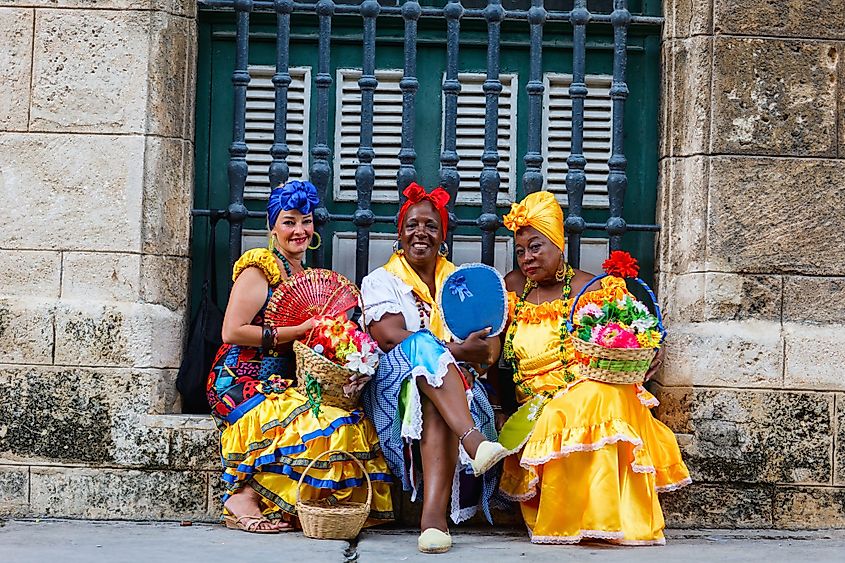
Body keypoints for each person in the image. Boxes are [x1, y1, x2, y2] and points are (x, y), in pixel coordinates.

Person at [497, 190, 690, 545]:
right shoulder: (511, 288)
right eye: (521, 250)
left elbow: (640, 333)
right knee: (564, 409)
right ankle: (568, 518)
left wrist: (652, 349)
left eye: (536, 247)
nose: (527, 258)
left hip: (586, 390)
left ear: (558, 244)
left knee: (601, 395)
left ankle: (608, 519)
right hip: (535, 403)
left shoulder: (592, 287)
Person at [206, 180, 394, 533]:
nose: (299, 231)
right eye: (289, 221)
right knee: (314, 424)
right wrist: (299, 329)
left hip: (286, 380)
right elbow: (231, 331)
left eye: (305, 222)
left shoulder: (306, 277)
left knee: (344, 418)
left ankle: (305, 504)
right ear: (272, 225)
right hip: (239, 379)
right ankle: (241, 496)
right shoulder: (259, 269)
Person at [360, 182, 508, 554]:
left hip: (450, 392)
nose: (420, 232)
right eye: (412, 225)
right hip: (393, 388)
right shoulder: (382, 281)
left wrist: (473, 352)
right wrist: (459, 348)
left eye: (430, 225)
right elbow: (392, 337)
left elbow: (488, 351)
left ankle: (433, 523)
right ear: (400, 233)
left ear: (442, 236)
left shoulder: (459, 283)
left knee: (433, 395)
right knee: (421, 346)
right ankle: (475, 442)